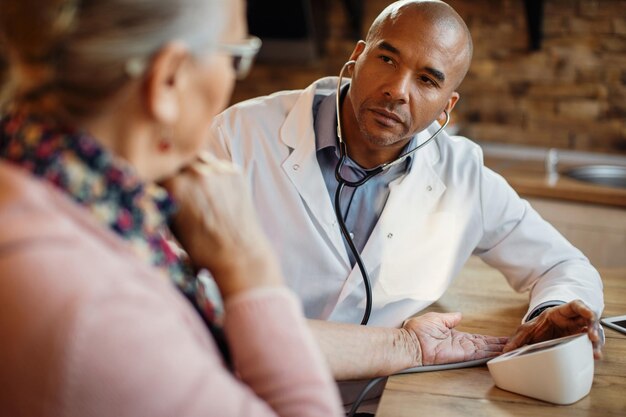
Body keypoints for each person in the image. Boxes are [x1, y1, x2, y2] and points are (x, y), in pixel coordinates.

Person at [207, 0, 604, 384]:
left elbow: (563, 264)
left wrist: (550, 310)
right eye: (387, 59)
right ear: (357, 56)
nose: (397, 90)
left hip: (381, 399)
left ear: (446, 105)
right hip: (248, 389)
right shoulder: (238, 137)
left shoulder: (463, 175)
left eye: (427, 80)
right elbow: (182, 298)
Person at [0, 0, 343, 416]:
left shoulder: (38, 177)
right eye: (236, 57)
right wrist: (251, 268)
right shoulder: (103, 314)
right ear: (169, 79)